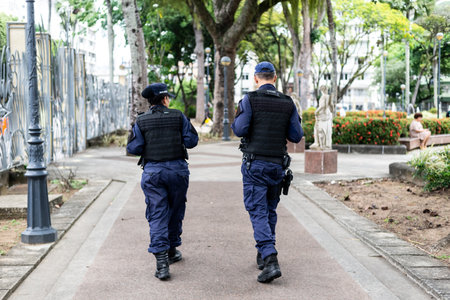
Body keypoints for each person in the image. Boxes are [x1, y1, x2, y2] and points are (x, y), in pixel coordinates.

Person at [231, 62, 303, 283]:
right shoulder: (287, 102)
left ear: (256, 78)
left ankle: (270, 259)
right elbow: (296, 135)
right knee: (270, 210)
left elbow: (240, 129)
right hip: (277, 165)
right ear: (274, 78)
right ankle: (263, 253)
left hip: (256, 165)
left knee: (258, 210)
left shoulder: (249, 100)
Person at [127, 83, 198, 280]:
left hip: (153, 173)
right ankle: (172, 250)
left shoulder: (141, 121)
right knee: (175, 210)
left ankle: (162, 264)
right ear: (166, 99)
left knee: (157, 213)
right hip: (177, 171)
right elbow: (192, 141)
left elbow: (133, 148)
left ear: (150, 101)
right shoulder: (178, 116)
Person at [310, 85, 333, 150]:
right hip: (327, 115)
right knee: (324, 130)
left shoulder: (324, 96)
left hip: (322, 115)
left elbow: (322, 106)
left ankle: (318, 143)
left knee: (318, 129)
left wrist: (316, 111)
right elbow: (331, 106)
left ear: (321, 90)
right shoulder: (328, 96)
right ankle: (322, 144)